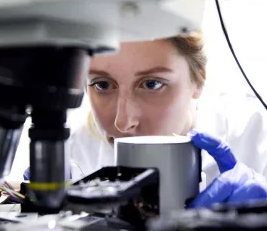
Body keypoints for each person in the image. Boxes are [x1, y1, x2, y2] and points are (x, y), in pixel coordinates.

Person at [23, 32, 267, 208]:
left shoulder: (255, 132)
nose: (123, 122)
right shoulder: (77, 148)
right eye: (102, 84)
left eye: (152, 84)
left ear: (199, 81)